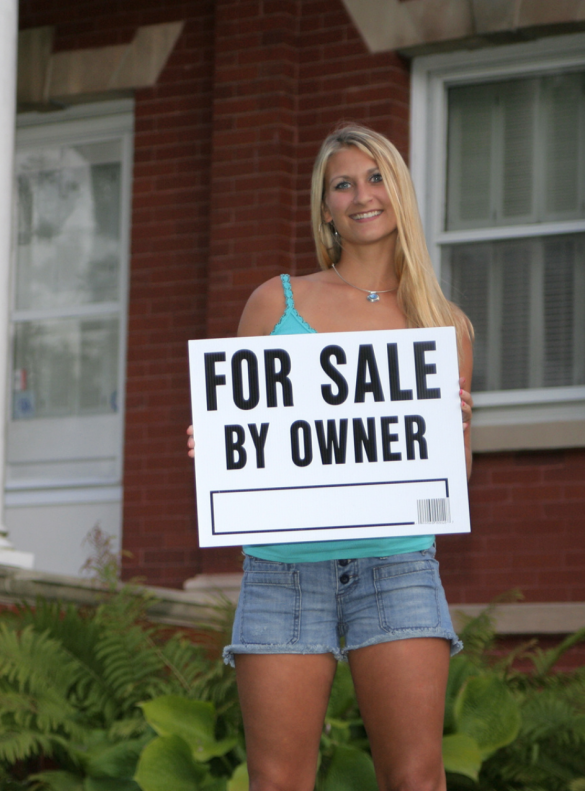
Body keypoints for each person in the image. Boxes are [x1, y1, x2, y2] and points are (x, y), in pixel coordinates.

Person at [187, 125, 474, 791]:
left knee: (417, 779)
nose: (361, 195)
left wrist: (456, 426)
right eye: (341, 184)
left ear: (400, 193)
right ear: (324, 209)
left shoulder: (443, 325)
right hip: (284, 570)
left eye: (375, 179)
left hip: (397, 563)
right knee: (278, 781)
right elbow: (241, 440)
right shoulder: (275, 304)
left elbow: (449, 479)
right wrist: (216, 447)